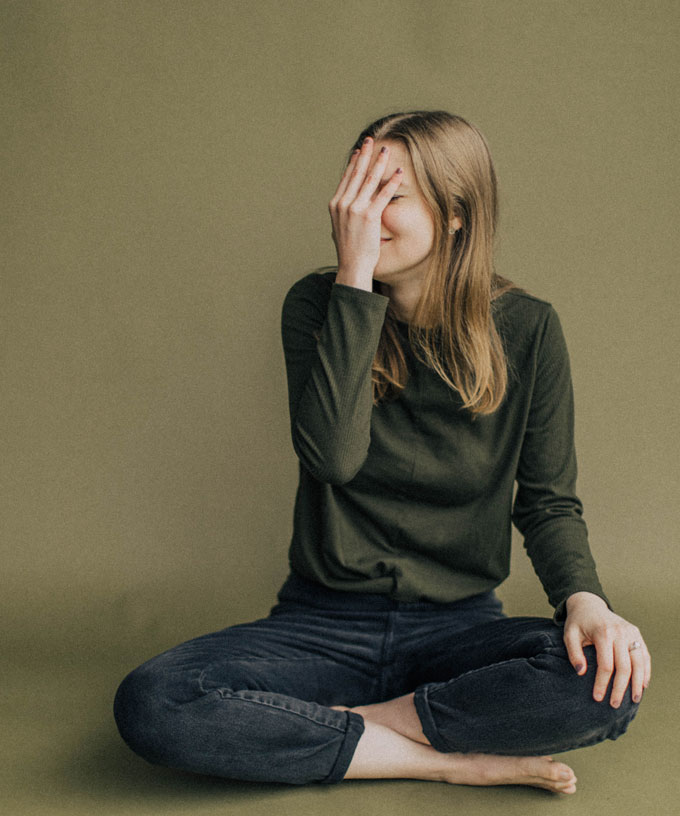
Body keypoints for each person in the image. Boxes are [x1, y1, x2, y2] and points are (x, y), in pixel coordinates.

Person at [113, 110, 650, 794]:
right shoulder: (319, 304)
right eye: (355, 191)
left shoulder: (530, 328)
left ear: (456, 213)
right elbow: (332, 458)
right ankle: (440, 760)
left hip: (460, 628)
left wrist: (587, 602)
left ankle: (355, 729)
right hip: (322, 625)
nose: (361, 214)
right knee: (154, 703)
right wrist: (354, 277)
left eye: (387, 194)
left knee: (608, 683)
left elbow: (548, 502)